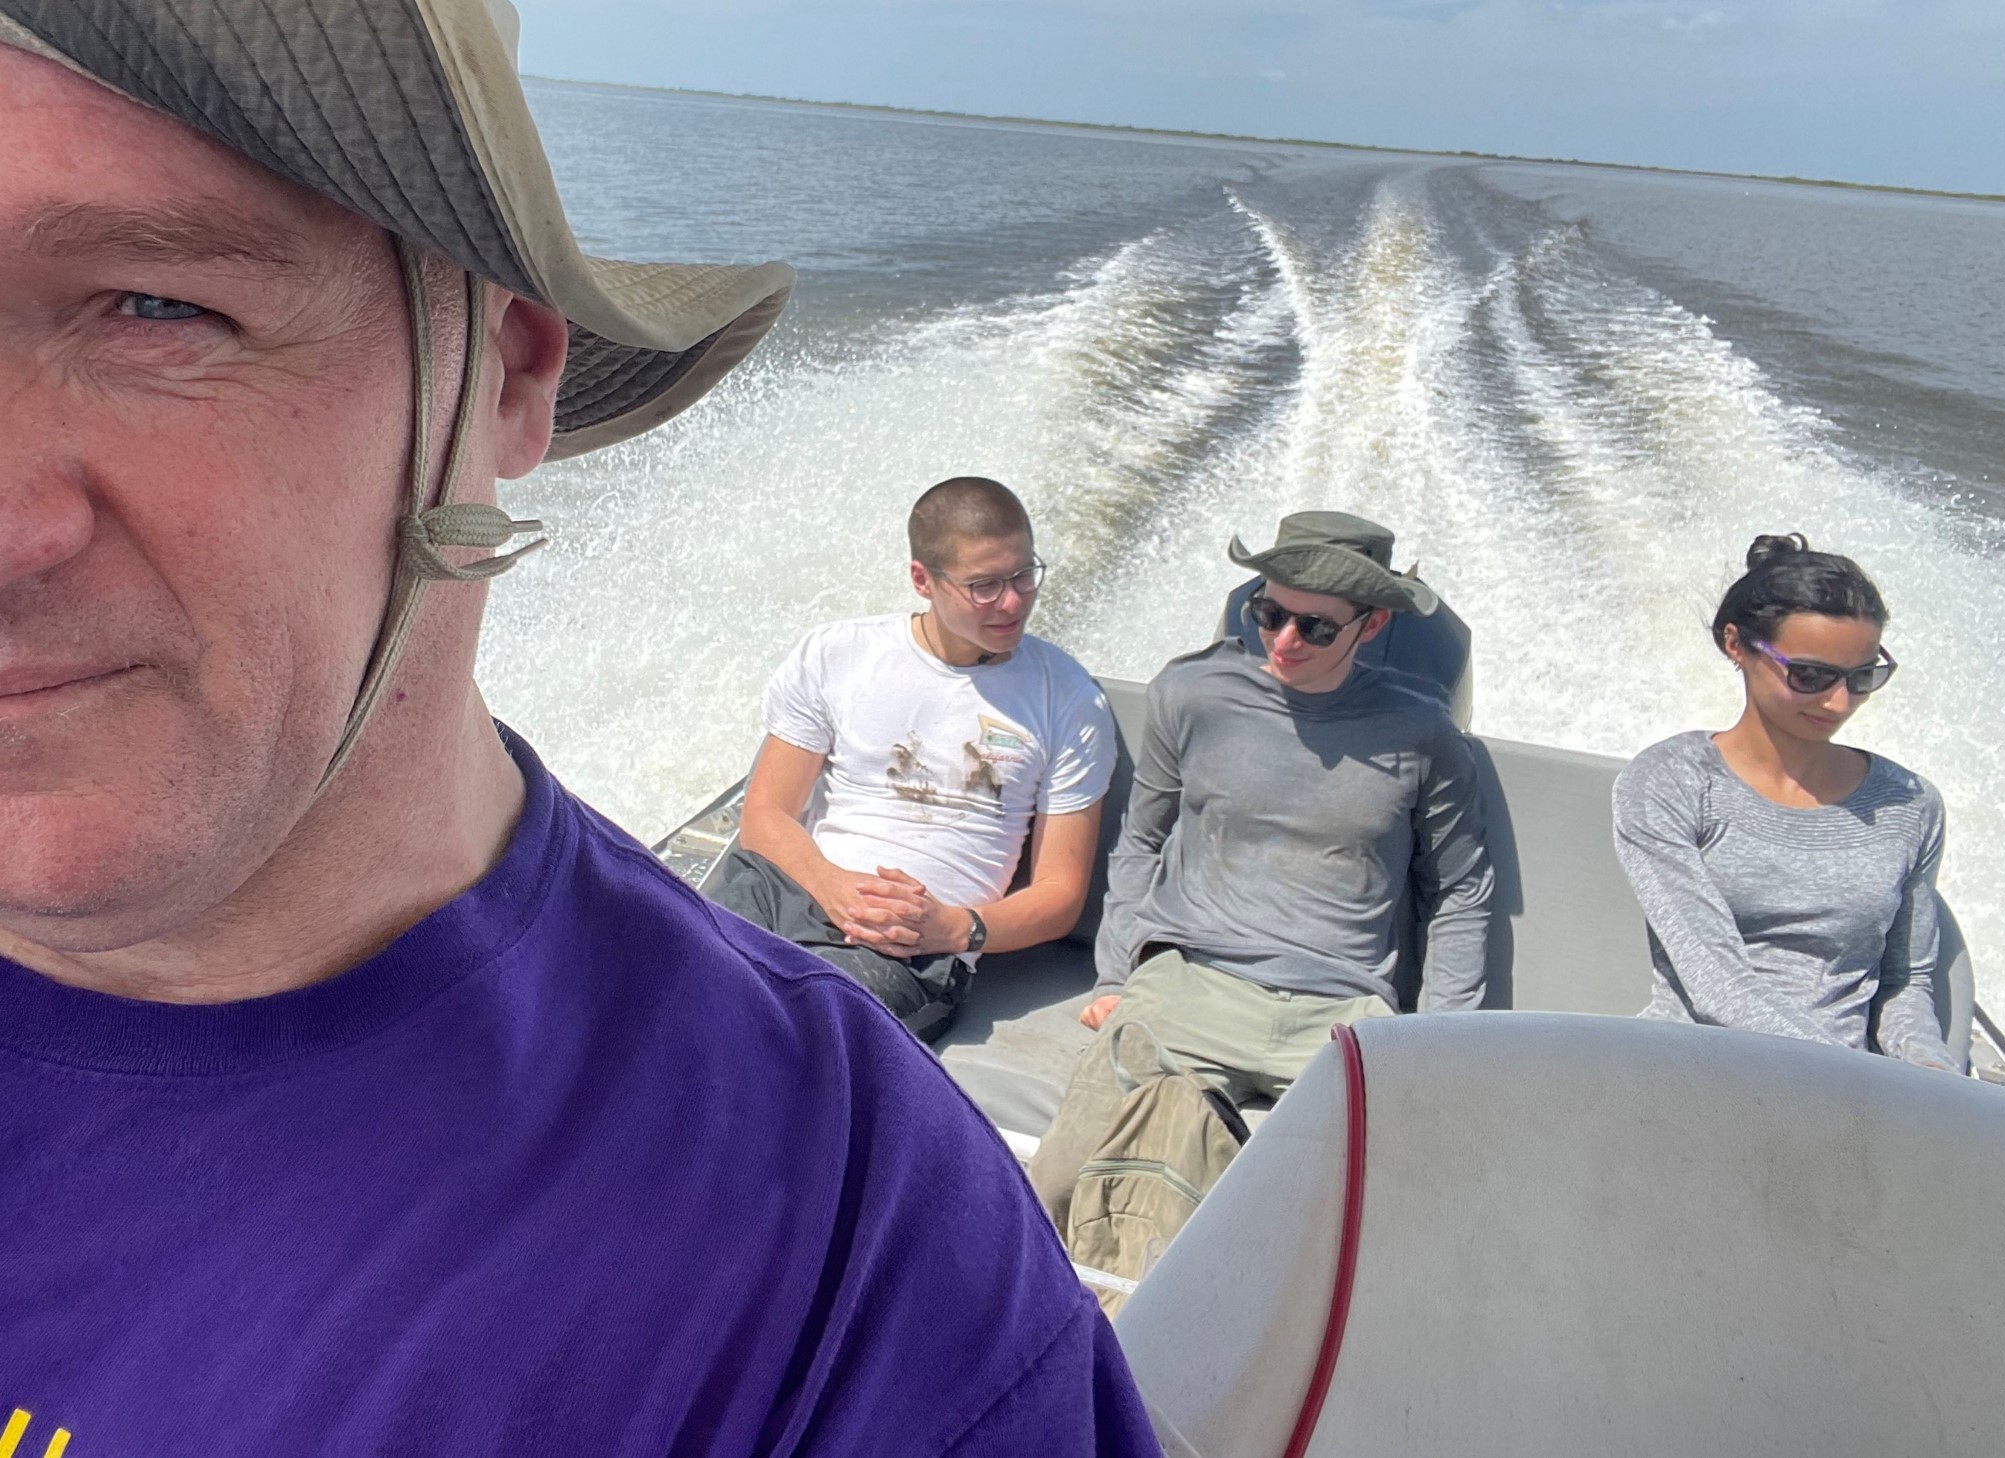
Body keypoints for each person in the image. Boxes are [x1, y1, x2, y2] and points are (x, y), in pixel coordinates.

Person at [0, 5, 1159, 1453]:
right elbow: (773, 819)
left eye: (156, 307)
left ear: (504, 377)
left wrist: (956, 932)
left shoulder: (842, 1248)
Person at [1028, 510, 1495, 1227]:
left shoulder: (1423, 735)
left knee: (1368, 1224)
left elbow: (1461, 891)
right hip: (1189, 982)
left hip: (1340, 1006)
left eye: (1315, 627)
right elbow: (1142, 840)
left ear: (1370, 627)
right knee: (1056, 1189)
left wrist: (1437, 1039)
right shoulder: (1191, 695)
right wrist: (1118, 978)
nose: (1282, 640)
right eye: (1268, 612)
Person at [705, 477, 1116, 1042]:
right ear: (923, 579)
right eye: (985, 585)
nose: (1014, 601)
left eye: (1024, 575)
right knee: (663, 983)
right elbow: (765, 818)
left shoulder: (1068, 699)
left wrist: (956, 929)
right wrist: (832, 885)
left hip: (910, 949)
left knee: (791, 1034)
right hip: (785, 889)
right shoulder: (836, 654)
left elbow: (1061, 894)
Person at [1612, 534, 1960, 1073]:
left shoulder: (1910, 806)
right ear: (1736, 645)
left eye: (1862, 677)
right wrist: (1855, 1080)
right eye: (1811, 675)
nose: (1839, 702)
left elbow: (1904, 985)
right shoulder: (1669, 781)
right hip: (1690, 1071)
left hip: (1852, 1095)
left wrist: (1937, 1082)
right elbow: (1715, 982)